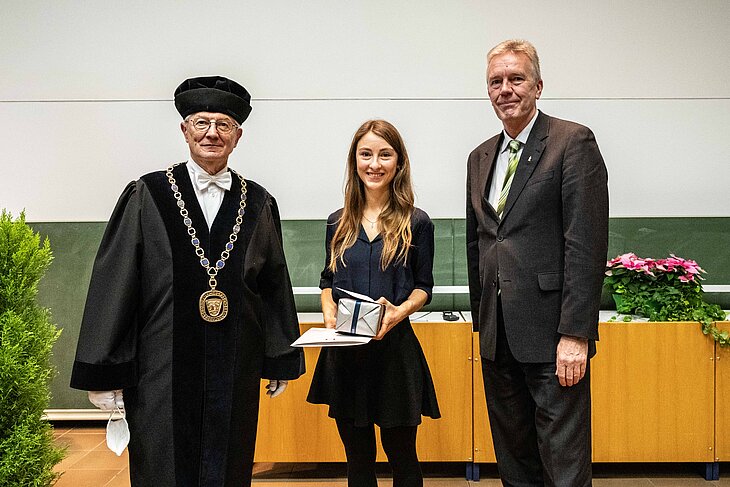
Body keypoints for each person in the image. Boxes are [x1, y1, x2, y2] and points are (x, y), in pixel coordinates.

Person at [70, 76, 305, 487]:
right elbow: (116, 282)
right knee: (163, 466)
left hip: (236, 364)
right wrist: (105, 371)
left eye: (223, 125)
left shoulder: (259, 202)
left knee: (230, 463)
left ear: (238, 136)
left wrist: (279, 356)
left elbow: (272, 284)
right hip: (161, 368)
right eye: (201, 122)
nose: (212, 133)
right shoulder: (148, 194)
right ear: (184, 130)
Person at [466, 40, 609, 486]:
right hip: (498, 337)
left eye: (516, 79)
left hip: (554, 337)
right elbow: (480, 242)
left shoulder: (572, 142)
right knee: (514, 461)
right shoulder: (480, 157)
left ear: (538, 86)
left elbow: (585, 245)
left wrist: (576, 333)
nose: (505, 89)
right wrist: (482, 323)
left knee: (563, 465)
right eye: (496, 81)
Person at [307, 120, 440, 487]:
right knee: (358, 459)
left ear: (399, 162)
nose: (374, 163)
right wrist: (328, 308)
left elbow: (424, 286)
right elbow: (327, 281)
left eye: (385, 154)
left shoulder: (417, 222)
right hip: (345, 357)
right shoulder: (338, 222)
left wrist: (399, 312)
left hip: (395, 355)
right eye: (366, 154)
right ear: (355, 161)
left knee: (402, 455)